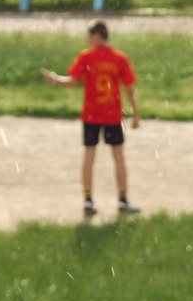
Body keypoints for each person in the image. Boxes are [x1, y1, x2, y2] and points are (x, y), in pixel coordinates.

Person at [41, 19, 141, 215]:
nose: (87, 39)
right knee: (118, 157)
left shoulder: (87, 57)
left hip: (91, 115)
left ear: (97, 36)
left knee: (89, 156)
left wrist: (54, 79)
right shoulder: (120, 58)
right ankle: (122, 199)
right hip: (113, 115)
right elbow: (130, 88)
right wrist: (135, 114)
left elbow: (71, 82)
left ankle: (88, 200)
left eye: (89, 35)